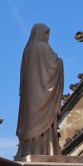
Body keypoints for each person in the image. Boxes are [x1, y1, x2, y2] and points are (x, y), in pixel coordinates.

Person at [15, 23, 64, 158]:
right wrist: (60, 62)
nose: (48, 37)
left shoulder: (27, 49)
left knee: (31, 120)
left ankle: (30, 148)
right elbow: (54, 66)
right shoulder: (43, 47)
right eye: (46, 33)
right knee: (44, 119)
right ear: (42, 33)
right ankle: (45, 149)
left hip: (29, 95)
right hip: (42, 94)